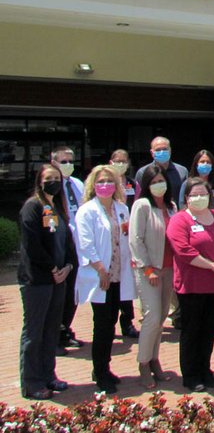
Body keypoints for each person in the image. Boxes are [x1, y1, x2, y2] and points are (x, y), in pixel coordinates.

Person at [74, 165, 135, 394]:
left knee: (111, 323)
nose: (105, 186)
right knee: (102, 325)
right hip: (101, 277)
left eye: (109, 182)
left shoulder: (121, 209)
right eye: (100, 182)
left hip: (119, 275)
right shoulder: (87, 211)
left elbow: (126, 238)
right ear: (93, 184)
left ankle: (105, 367)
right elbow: (85, 244)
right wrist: (101, 270)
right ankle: (100, 373)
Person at [18, 164, 76, 400]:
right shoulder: (33, 206)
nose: (53, 181)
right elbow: (32, 245)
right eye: (48, 178)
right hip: (38, 280)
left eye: (56, 178)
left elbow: (68, 242)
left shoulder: (57, 207)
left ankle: (48, 375)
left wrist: (68, 267)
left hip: (59, 279)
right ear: (39, 181)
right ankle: (32, 383)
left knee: (51, 330)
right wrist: (52, 269)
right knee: (35, 332)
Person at [166, 177, 214, 392]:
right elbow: (183, 251)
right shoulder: (180, 220)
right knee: (192, 332)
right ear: (186, 198)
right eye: (195, 195)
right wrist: (211, 265)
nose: (200, 198)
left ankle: (205, 370)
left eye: (204, 194)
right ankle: (191, 374)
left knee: (209, 331)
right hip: (191, 286)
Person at [129, 164, 176, 389]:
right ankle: (143, 362)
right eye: (154, 182)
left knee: (161, 318)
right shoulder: (142, 205)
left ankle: (155, 359)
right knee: (151, 317)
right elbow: (135, 239)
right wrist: (147, 268)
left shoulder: (171, 206)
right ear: (147, 185)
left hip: (169, 270)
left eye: (162, 181)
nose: (159, 185)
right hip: (149, 271)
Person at [135, 136, 189, 330]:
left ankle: (175, 314)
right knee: (152, 284)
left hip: (173, 223)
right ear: (151, 152)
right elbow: (139, 198)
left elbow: (184, 199)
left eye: (165, 148)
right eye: (158, 149)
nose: (162, 151)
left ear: (171, 149)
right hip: (152, 226)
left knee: (171, 279)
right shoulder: (143, 172)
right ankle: (148, 317)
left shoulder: (181, 171)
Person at [50, 146, 85, 353]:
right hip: (60, 243)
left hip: (77, 244)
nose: (68, 165)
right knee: (59, 292)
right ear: (53, 162)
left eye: (71, 161)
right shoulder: (53, 187)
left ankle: (65, 329)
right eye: (63, 162)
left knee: (73, 291)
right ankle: (54, 335)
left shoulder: (78, 184)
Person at [110, 149, 140, 340]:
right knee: (111, 285)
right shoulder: (106, 183)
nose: (121, 164)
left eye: (124, 161)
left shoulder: (132, 183)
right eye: (117, 161)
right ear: (111, 162)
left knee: (127, 283)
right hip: (111, 239)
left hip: (128, 236)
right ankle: (109, 323)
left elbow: (136, 205)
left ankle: (127, 321)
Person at [179, 150, 214, 215]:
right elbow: (182, 206)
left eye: (208, 162)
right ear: (196, 164)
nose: (205, 164)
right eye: (202, 162)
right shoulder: (187, 184)